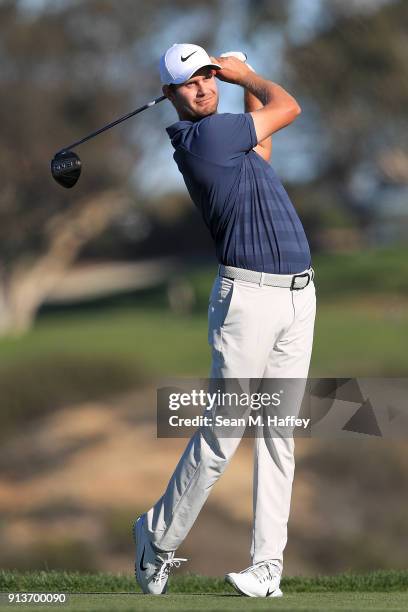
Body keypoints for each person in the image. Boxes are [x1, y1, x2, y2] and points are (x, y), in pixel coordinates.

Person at [133, 43, 316, 598]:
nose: (205, 88)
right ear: (170, 96)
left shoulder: (230, 139)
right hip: (248, 302)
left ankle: (267, 568)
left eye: (210, 77)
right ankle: (156, 539)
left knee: (279, 434)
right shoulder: (206, 138)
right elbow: (288, 108)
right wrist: (247, 74)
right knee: (223, 434)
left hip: (297, 295)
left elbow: (261, 149)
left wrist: (235, 83)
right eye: (192, 83)